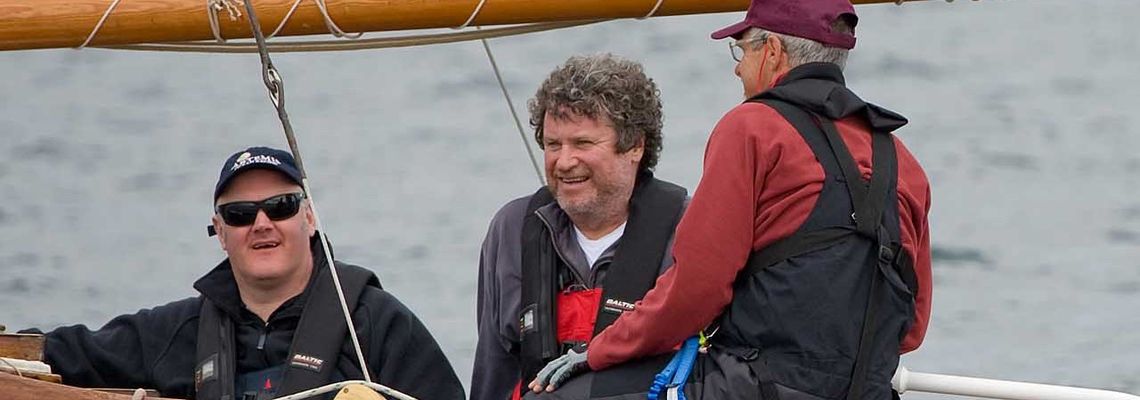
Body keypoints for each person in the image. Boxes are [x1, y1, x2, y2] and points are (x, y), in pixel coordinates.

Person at [528, 0, 933, 399]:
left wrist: (596, 352)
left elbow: (695, 291)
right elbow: (912, 327)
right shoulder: (901, 160)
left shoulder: (753, 127)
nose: (738, 67)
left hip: (757, 386)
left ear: (772, 52)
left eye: (743, 50)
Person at [33, 146, 465, 400]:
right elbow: (57, 355)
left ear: (310, 218)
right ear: (220, 233)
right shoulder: (175, 333)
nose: (261, 225)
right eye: (240, 214)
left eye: (280, 207)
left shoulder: (376, 324)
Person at [471, 54, 689, 400]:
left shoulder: (687, 231)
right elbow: (493, 370)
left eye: (583, 144)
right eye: (554, 145)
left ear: (635, 146)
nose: (564, 161)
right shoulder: (510, 230)